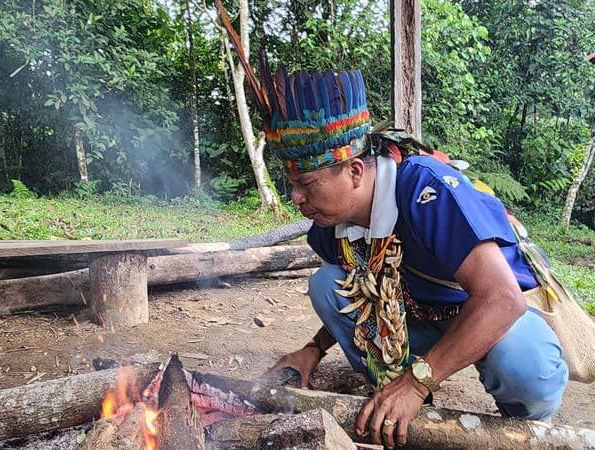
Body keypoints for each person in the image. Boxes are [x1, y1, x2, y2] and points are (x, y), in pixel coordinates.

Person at [215, 11, 568, 447]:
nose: (297, 200)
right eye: (293, 185)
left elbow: (502, 298)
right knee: (327, 284)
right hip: (420, 313)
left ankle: (527, 423)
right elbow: (361, 293)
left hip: (493, 310)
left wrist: (417, 382)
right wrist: (313, 348)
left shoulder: (426, 191)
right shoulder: (330, 226)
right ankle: (395, 393)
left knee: (523, 363)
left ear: (356, 171)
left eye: (307, 184)